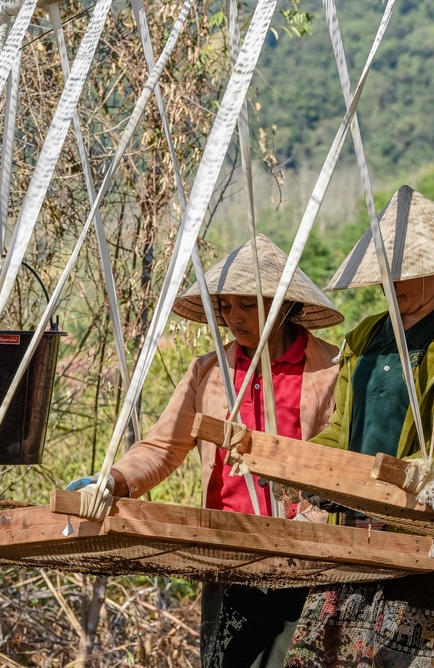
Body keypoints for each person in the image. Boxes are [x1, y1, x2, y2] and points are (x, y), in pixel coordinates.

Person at [68, 234, 343, 668]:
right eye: (226, 307)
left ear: (283, 303)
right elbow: (162, 447)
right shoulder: (208, 370)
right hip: (224, 546)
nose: (234, 318)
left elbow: (340, 461)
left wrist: (316, 517)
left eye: (247, 305)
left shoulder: (328, 370)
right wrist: (113, 481)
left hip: (303, 553)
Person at [284, 185, 434, 667]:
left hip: (424, 539)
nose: (394, 284)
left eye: (407, 274)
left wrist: (395, 485)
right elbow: (340, 429)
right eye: (388, 274)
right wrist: (300, 465)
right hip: (353, 535)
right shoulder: (365, 335)